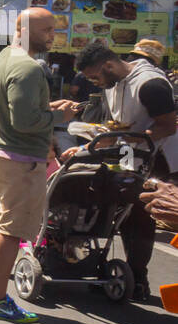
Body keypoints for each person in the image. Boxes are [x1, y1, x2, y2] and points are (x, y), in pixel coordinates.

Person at [0, 7, 74, 324]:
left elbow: (14, 110)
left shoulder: (1, 60)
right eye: (46, 30)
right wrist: (59, 117)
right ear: (24, 30)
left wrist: (46, 108)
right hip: (22, 160)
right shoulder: (29, 68)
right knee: (11, 232)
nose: (53, 36)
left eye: (53, 29)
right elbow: (25, 122)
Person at [66, 43, 178, 300]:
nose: (94, 83)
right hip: (130, 154)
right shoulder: (112, 83)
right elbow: (116, 122)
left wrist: (129, 138)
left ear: (109, 65)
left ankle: (139, 278)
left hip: (160, 160)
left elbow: (168, 126)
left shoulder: (151, 85)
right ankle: (120, 271)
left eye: (95, 77)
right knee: (124, 213)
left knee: (142, 216)